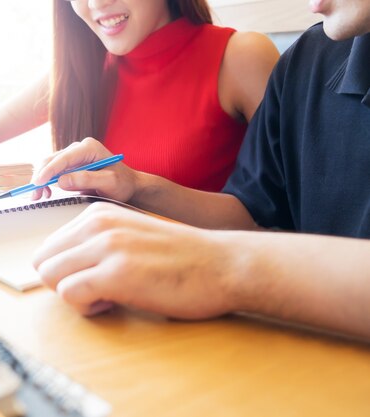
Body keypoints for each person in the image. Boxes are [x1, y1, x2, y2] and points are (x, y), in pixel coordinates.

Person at [30, 0, 370, 340]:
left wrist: (222, 267)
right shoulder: (310, 60)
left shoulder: (241, 55)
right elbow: (253, 217)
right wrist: (135, 186)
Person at [0, 0, 279, 193]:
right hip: (99, 289)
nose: (97, 3)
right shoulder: (83, 70)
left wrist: (137, 185)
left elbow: (292, 217)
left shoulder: (240, 57)